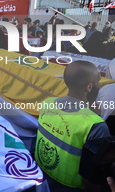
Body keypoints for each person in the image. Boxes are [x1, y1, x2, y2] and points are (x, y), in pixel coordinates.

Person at [35, 60, 110, 192]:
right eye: (98, 82)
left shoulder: (47, 103)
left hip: (41, 175)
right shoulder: (95, 125)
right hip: (71, 186)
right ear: (89, 87)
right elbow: (95, 177)